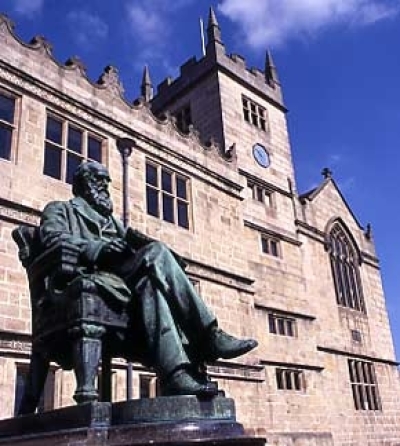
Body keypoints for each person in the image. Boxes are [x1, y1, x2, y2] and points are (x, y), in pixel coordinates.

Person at [39, 161, 257, 397]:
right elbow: (53, 239)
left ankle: (176, 375)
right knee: (157, 256)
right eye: (99, 179)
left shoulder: (112, 222)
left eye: (106, 180)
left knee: (153, 280)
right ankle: (207, 338)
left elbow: (131, 247)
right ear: (83, 182)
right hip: (89, 276)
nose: (105, 184)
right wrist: (98, 248)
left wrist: (133, 243)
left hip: (124, 279)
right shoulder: (60, 209)